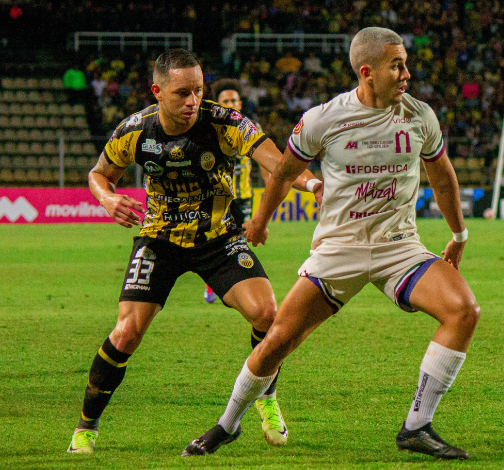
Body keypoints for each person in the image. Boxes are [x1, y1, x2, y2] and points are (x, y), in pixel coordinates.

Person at [183, 27, 480, 460]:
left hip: (399, 247)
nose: (406, 74)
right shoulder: (325, 118)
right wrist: (260, 223)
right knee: (278, 340)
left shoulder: (420, 116)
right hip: (340, 248)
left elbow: (443, 177)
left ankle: (416, 425)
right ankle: (228, 424)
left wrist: (458, 235)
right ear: (367, 71)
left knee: (463, 311)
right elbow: (284, 173)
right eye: (396, 65)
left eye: (405, 64)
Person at [67, 49, 323, 455]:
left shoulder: (225, 122)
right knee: (127, 332)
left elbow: (278, 163)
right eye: (182, 92)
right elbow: (99, 174)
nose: (193, 101)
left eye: (199, 90)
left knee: (267, 314)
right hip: (159, 237)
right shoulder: (135, 130)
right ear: (157, 92)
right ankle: (86, 426)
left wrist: (313, 187)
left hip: (218, 236)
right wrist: (106, 198)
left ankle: (266, 398)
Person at [202, 79, 267, 304]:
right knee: (218, 241)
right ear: (217, 104)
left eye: (234, 100)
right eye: (225, 101)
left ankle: (233, 284)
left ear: (240, 103)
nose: (230, 104)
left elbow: (265, 164)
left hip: (245, 195)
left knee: (241, 241)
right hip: (218, 197)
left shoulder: (252, 128)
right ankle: (216, 282)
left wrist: (270, 188)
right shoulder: (209, 127)